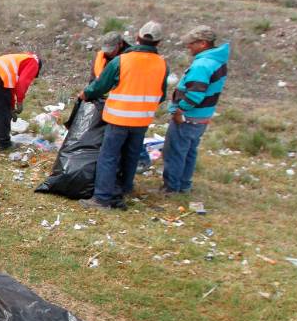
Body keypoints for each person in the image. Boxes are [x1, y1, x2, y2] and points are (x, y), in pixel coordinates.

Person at [79, 21, 168, 210]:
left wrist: (87, 94)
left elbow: (101, 85)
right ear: (158, 42)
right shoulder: (162, 64)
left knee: (109, 156)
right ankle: (126, 187)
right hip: (142, 119)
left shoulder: (123, 60)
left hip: (119, 118)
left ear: (137, 36)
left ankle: (102, 198)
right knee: (132, 154)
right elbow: (162, 94)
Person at [163, 25, 229, 194]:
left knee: (176, 151)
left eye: (191, 43)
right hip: (203, 116)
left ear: (203, 43)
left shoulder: (202, 65)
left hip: (188, 117)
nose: (188, 46)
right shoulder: (218, 61)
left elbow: (194, 94)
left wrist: (179, 111)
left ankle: (172, 187)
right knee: (190, 152)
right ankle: (184, 185)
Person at [0, 52, 42, 151]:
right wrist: (20, 102)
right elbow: (22, 83)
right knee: (3, 112)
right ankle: (4, 143)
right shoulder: (34, 62)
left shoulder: (20, 59)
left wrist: (12, 108)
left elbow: (10, 88)